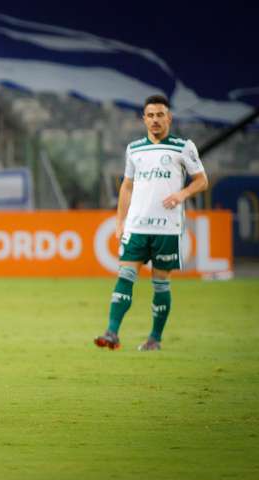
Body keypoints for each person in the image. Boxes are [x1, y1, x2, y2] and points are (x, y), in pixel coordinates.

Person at [94, 94, 208, 351]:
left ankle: (154, 339)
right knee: (125, 275)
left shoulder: (183, 147)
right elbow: (127, 186)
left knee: (160, 283)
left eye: (160, 115)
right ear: (143, 119)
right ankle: (111, 333)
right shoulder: (134, 149)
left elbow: (202, 180)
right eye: (150, 115)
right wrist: (120, 220)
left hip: (167, 228)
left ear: (169, 118)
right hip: (137, 226)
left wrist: (181, 194)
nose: (155, 120)